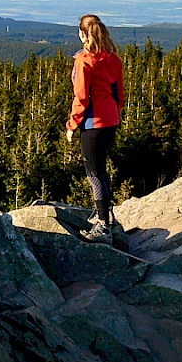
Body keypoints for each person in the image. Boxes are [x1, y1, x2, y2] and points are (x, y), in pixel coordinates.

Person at [65, 14, 125, 243]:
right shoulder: (113, 59)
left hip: (92, 122)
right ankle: (107, 217)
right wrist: (113, 114)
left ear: (82, 33)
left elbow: (81, 97)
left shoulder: (84, 61)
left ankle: (103, 226)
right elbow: (119, 94)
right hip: (110, 120)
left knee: (93, 173)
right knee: (101, 169)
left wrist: (72, 125)